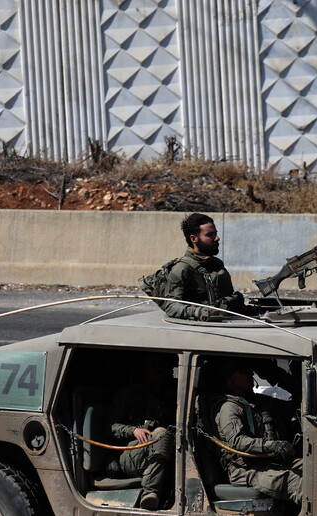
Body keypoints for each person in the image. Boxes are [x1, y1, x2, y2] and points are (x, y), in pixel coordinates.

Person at [208, 358, 302, 505]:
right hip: (246, 469)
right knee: (302, 485)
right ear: (231, 378)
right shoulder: (229, 407)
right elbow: (237, 441)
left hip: (269, 462)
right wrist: (272, 445)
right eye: (245, 371)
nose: (251, 373)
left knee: (314, 469)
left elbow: (291, 406)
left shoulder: (256, 402)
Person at [107, 353, 177, 510]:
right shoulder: (129, 395)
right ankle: (150, 493)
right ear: (143, 370)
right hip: (131, 454)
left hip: (157, 452)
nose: (159, 370)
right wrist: (133, 431)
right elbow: (109, 427)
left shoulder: (169, 397)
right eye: (153, 366)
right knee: (160, 434)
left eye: (162, 366)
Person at [161, 213, 246, 321]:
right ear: (194, 238)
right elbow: (171, 307)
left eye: (216, 233)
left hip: (227, 322)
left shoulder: (216, 264)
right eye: (209, 235)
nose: (217, 238)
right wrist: (198, 312)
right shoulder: (182, 269)